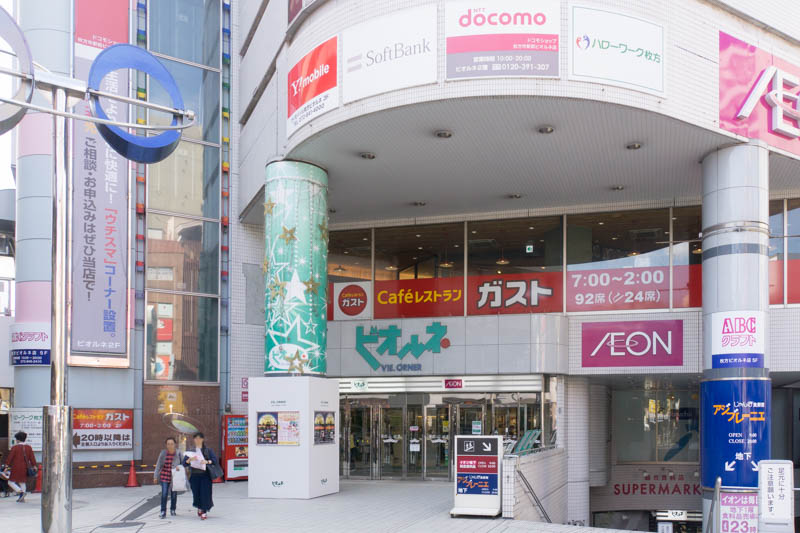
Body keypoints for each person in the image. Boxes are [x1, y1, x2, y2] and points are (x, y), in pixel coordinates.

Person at [183, 432, 218, 520]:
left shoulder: (208, 450)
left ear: (202, 439)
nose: (198, 440)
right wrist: (189, 460)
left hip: (205, 476)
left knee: (205, 494)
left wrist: (207, 461)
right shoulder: (191, 451)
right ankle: (199, 507)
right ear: (194, 440)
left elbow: (215, 460)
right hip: (194, 476)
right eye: (196, 438)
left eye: (199, 438)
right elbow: (184, 463)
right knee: (196, 494)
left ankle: (204, 511)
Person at [154, 436, 185, 519]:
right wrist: (155, 476)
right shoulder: (163, 453)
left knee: (174, 495)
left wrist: (179, 466)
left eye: (172, 444)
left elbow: (184, 463)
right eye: (168, 444)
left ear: (175, 444)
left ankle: (173, 509)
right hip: (164, 476)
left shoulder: (178, 453)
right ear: (166, 445)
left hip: (174, 478)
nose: (170, 445)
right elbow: (158, 465)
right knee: (164, 494)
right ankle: (163, 511)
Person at [7, 431, 37, 502]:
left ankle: (20, 492)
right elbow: (32, 457)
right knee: (22, 482)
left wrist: (6, 465)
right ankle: (22, 497)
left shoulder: (14, 447)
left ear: (17, 439)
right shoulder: (28, 447)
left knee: (10, 482)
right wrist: (34, 465)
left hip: (16, 467)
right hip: (25, 467)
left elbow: (10, 458)